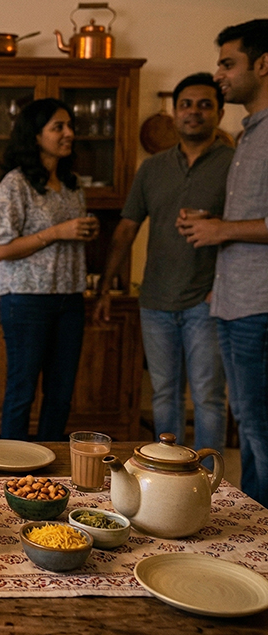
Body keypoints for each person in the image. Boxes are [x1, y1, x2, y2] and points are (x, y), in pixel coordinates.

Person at [95, 73, 233, 455]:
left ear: (220, 113)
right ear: (174, 112)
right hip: (155, 300)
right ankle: (168, 473)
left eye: (205, 105)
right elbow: (126, 229)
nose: (194, 112)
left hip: (207, 300)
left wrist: (223, 287)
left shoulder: (233, 164)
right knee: (163, 393)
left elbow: (243, 234)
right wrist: (105, 288)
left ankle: (212, 480)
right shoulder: (152, 168)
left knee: (207, 396)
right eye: (186, 104)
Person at [177, 19, 268, 506]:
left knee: (259, 427)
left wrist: (223, 230)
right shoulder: (249, 133)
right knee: (248, 426)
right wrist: (217, 223)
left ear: (263, 64)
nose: (219, 75)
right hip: (234, 302)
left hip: (259, 304)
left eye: (228, 64)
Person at [0, 98, 99, 441]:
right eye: (58, 127)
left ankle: (52, 463)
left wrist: (84, 231)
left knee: (61, 393)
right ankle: (12, 463)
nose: (69, 133)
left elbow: (70, 234)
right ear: (36, 135)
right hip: (26, 300)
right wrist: (57, 232)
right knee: (22, 390)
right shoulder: (15, 184)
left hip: (70, 297)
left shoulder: (73, 183)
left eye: (70, 126)